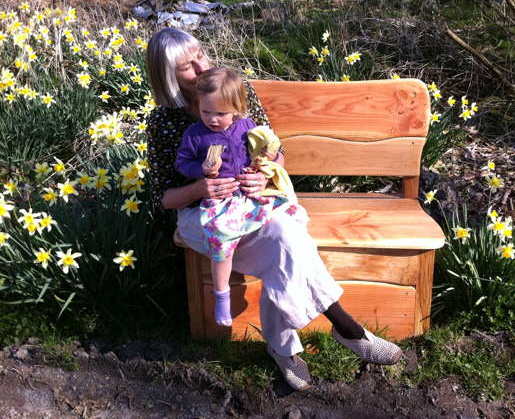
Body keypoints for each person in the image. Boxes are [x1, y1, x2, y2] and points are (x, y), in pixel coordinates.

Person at [146, 27, 402, 391]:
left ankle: (285, 349)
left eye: (200, 54)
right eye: (187, 66)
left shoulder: (236, 88)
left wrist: (263, 175)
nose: (201, 66)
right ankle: (344, 327)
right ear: (167, 75)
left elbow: (273, 149)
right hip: (204, 218)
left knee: (286, 237)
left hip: (251, 203)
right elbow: (163, 198)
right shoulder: (164, 121)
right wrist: (200, 187)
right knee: (285, 245)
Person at [174, 66, 305, 328]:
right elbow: (181, 163)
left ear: (237, 108)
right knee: (222, 241)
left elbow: (269, 147)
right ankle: (221, 294)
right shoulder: (195, 135)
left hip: (248, 196)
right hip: (220, 203)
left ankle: (290, 303)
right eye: (206, 111)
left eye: (221, 113)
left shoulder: (246, 126)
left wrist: (263, 162)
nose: (212, 119)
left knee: (291, 220)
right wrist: (200, 170)